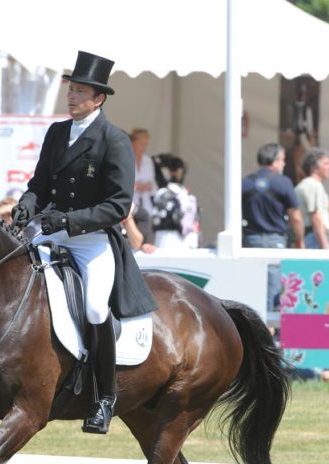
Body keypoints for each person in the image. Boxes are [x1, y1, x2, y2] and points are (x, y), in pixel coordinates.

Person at [12, 51, 158, 435]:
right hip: (51, 231)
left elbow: (117, 205)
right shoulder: (57, 133)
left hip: (92, 239)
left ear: (99, 98)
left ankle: (104, 397)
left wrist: (69, 220)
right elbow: (38, 186)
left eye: (80, 91)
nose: (72, 96)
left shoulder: (114, 140)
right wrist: (26, 206)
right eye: (71, 89)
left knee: (95, 309)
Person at [241, 142, 303, 249]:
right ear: (275, 161)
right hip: (276, 240)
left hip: (250, 240)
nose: (284, 164)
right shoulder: (284, 182)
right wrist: (300, 240)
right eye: (283, 160)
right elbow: (295, 216)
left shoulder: (244, 182)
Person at [149, 154, 200, 250]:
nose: (179, 174)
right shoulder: (167, 192)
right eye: (177, 171)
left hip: (179, 239)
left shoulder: (182, 193)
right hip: (169, 238)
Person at [295, 148, 329, 249]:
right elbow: (315, 216)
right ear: (315, 168)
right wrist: (324, 245)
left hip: (312, 235)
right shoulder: (313, 185)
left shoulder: (306, 184)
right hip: (314, 237)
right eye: (326, 163)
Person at [129, 128, 157, 215]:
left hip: (147, 207)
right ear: (133, 143)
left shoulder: (148, 161)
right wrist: (136, 187)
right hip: (130, 207)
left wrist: (150, 186)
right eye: (141, 145)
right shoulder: (125, 159)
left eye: (146, 145)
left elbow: (154, 187)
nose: (144, 148)